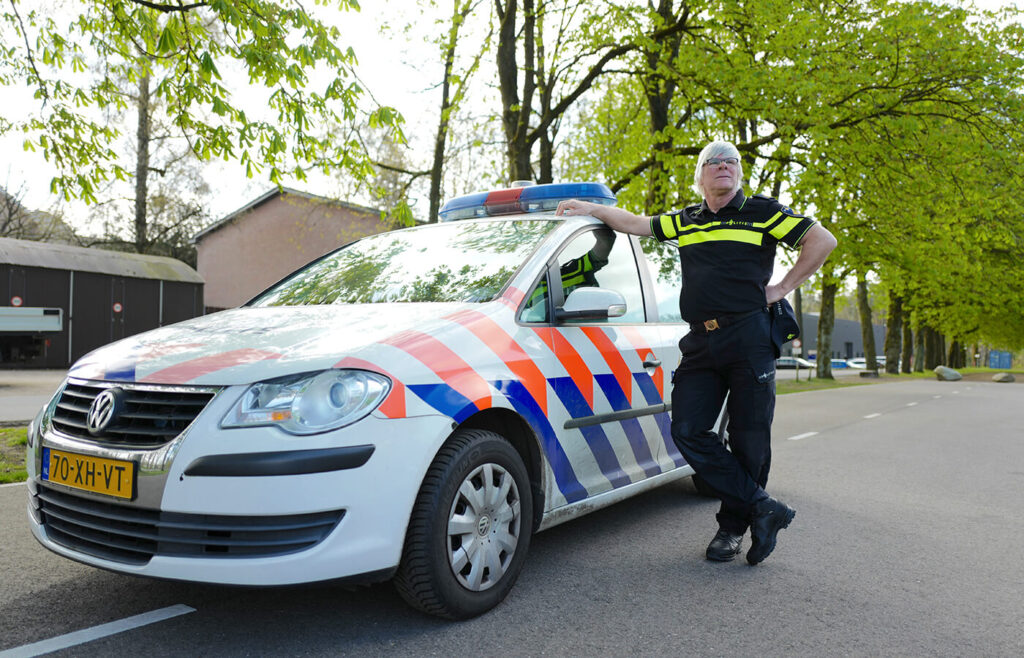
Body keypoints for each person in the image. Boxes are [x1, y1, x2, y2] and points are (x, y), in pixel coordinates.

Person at [555, 140, 837, 565]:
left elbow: (822, 240)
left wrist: (782, 287)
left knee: (749, 441)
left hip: (750, 337)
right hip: (701, 341)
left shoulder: (763, 212)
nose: (724, 166)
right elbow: (635, 223)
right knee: (687, 430)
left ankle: (733, 528)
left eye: (731, 161)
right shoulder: (687, 220)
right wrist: (592, 208)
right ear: (701, 176)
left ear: (739, 172)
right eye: (714, 161)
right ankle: (764, 508)